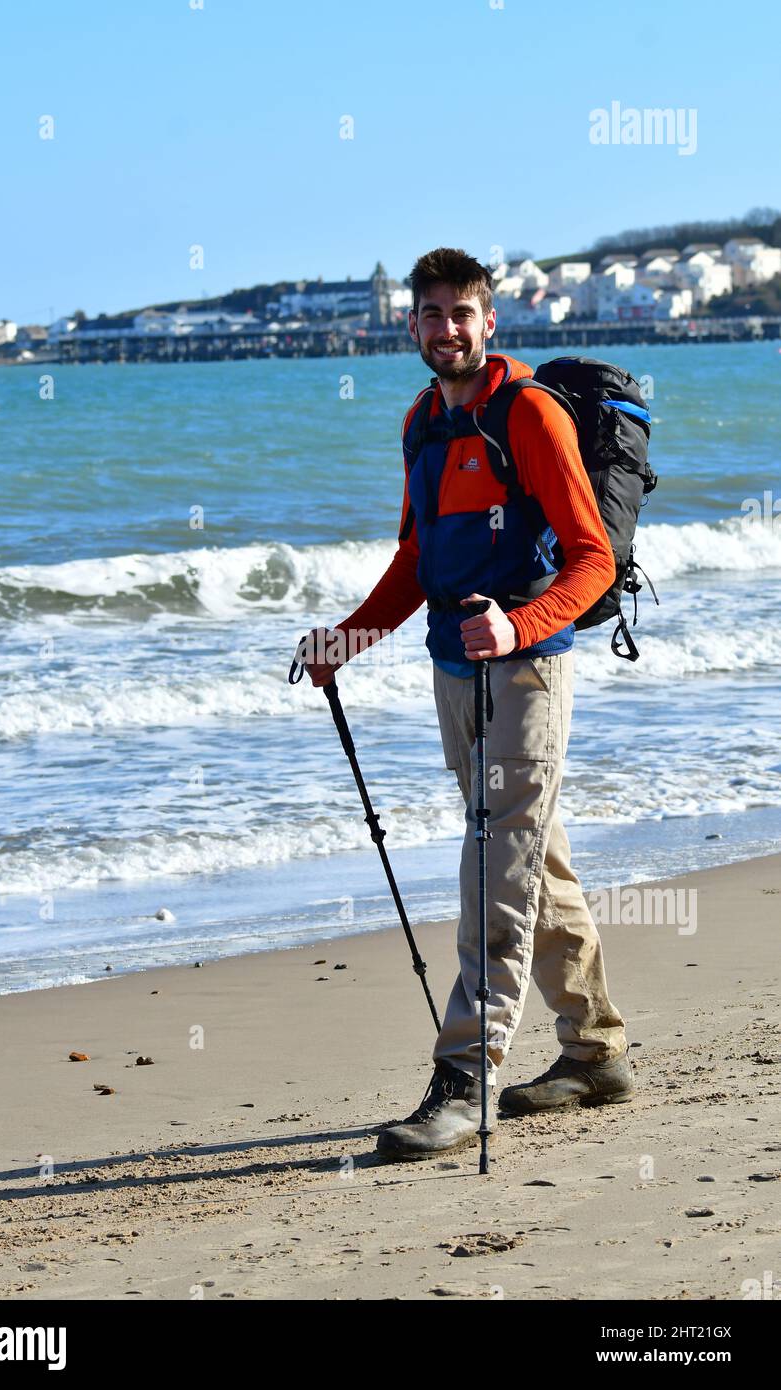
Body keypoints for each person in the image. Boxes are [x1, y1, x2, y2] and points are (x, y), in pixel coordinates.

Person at [304, 247, 633, 1162]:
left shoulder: (526, 415)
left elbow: (591, 557)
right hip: (453, 668)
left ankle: (465, 1081)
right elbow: (418, 563)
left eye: (463, 313)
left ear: (490, 322)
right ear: (410, 326)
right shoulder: (421, 424)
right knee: (528, 855)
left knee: (495, 864)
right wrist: (347, 640)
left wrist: (521, 628)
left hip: (525, 674)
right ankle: (596, 1050)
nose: (448, 328)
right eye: (432, 313)